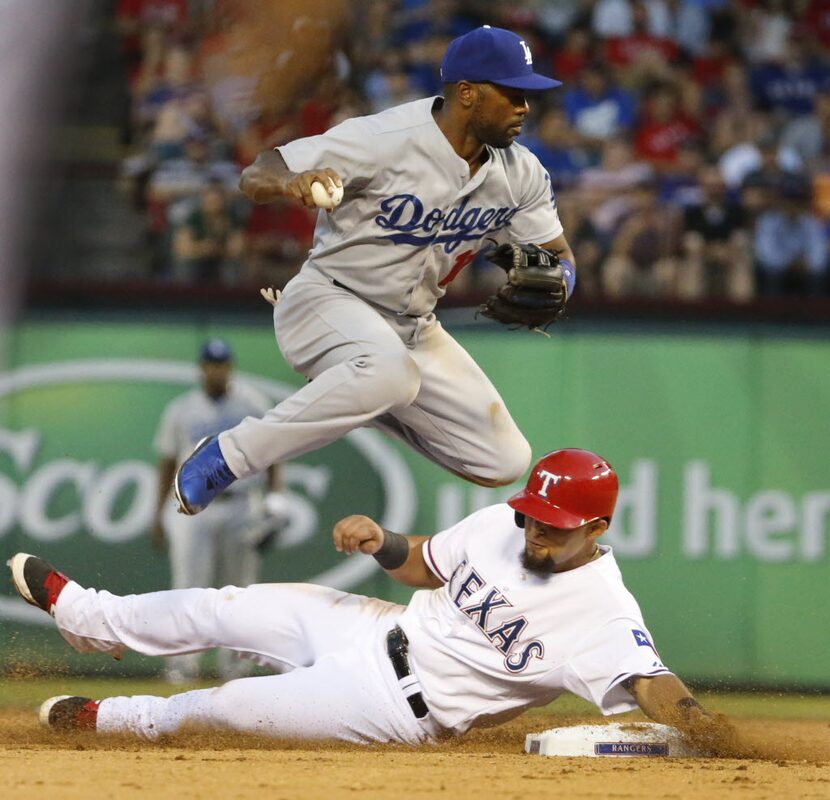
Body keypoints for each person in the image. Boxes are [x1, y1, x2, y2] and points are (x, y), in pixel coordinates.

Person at [9, 448, 735, 754]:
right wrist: (384, 540)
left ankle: (112, 719)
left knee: (229, 705)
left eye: (555, 525)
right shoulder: (506, 523)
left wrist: (712, 732)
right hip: (375, 624)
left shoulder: (603, 609)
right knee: (220, 604)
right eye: (532, 514)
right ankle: (87, 614)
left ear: (598, 528)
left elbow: (650, 681)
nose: (536, 529)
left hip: (395, 708)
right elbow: (427, 564)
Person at [171, 26, 577, 517]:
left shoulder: (523, 173)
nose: (525, 108)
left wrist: (561, 280)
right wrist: (292, 180)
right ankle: (229, 456)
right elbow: (256, 172)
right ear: (467, 93)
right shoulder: (383, 139)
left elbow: (559, 254)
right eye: (514, 94)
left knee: (504, 460)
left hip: (415, 327)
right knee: (390, 375)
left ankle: (350, 396)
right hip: (327, 301)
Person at [151, 338, 288, 683]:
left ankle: (236, 669)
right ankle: (182, 668)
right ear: (201, 368)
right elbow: (167, 462)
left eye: (222, 363)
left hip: (240, 502)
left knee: (237, 591)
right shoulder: (181, 409)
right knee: (187, 588)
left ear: (230, 367)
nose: (216, 369)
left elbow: (273, 453)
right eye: (211, 364)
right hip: (191, 509)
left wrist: (275, 500)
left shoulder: (252, 403)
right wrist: (157, 513)